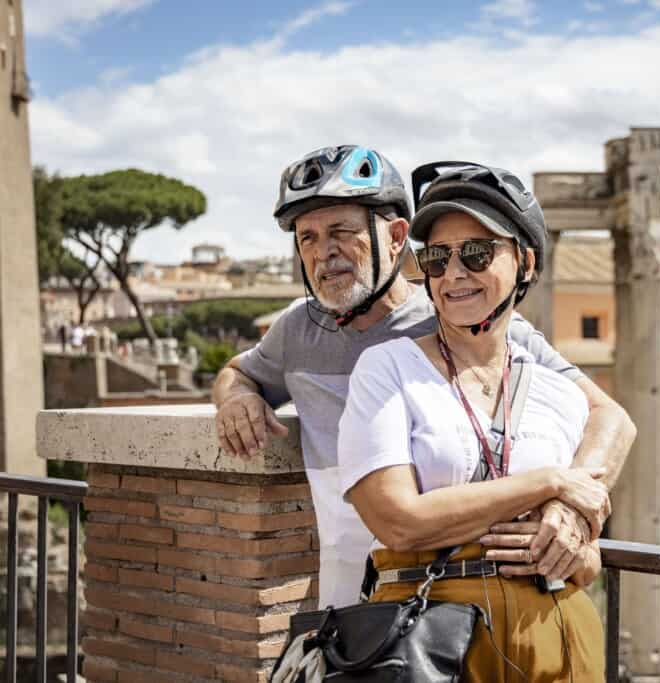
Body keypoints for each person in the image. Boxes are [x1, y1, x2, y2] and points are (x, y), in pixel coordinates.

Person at [212, 146, 635, 609]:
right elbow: (239, 371)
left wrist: (571, 501)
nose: (324, 253)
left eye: (341, 232)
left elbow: (607, 415)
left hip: (463, 595)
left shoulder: (464, 314)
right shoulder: (298, 329)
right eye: (307, 237)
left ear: (395, 237)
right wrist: (237, 399)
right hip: (354, 600)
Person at [339, 161, 613, 680]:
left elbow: (590, 558)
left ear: (525, 263)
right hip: (434, 640)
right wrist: (549, 483)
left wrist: (569, 536)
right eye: (437, 259)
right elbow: (396, 519)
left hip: (558, 633)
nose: (453, 274)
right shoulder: (388, 367)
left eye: (477, 253)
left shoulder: (560, 393)